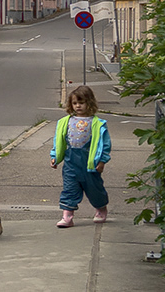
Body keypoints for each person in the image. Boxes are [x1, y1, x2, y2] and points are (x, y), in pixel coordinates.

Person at [51, 84, 111, 227]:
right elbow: (58, 142)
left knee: (94, 189)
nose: (78, 106)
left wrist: (102, 161)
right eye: (75, 103)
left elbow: (105, 144)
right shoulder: (66, 122)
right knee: (69, 188)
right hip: (71, 161)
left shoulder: (97, 123)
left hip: (90, 163)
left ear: (89, 103)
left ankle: (101, 208)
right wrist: (54, 156)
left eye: (81, 103)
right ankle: (67, 216)